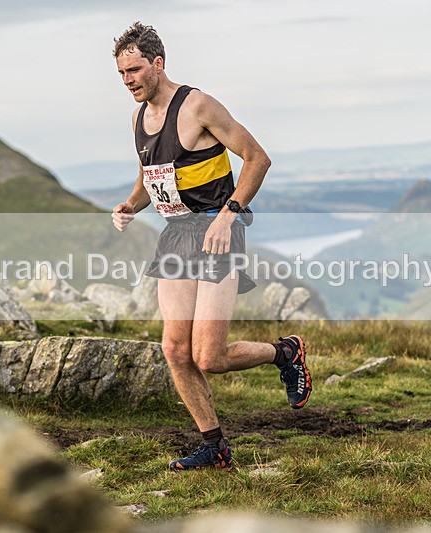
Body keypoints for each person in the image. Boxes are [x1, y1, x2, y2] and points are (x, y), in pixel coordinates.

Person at [110, 22, 311, 471]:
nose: (129, 81)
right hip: (177, 234)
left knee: (210, 356)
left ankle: (287, 353)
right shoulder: (140, 118)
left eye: (136, 70)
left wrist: (230, 213)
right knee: (175, 351)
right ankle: (215, 446)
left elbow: (258, 158)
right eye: (122, 74)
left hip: (218, 230)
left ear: (158, 63)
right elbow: (151, 176)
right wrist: (130, 204)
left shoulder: (197, 105)